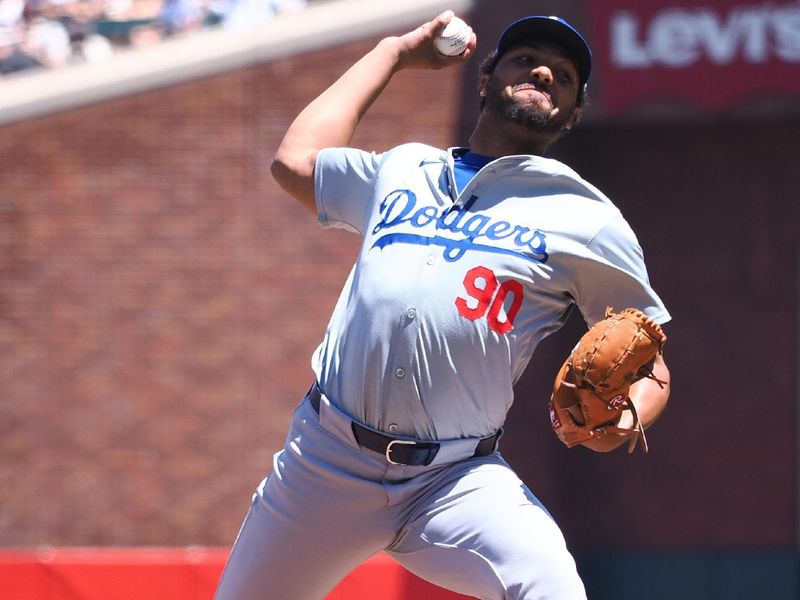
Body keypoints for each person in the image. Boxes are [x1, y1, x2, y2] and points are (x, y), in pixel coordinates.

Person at [214, 11, 671, 600]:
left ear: (573, 113)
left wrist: (628, 415)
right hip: (326, 461)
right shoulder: (405, 167)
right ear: (485, 79)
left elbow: (650, 358)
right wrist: (394, 52)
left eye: (563, 73)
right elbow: (296, 161)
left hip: (454, 477)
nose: (543, 71)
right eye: (525, 57)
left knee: (552, 586)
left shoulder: (587, 217)